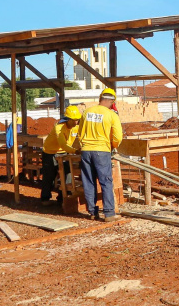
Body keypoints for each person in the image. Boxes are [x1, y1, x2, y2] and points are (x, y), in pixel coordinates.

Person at [76, 88, 123, 221]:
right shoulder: (111, 115)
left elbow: (80, 133)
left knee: (89, 181)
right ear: (112, 101)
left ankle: (92, 212)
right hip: (102, 150)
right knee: (106, 182)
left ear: (100, 98)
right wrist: (113, 145)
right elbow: (117, 136)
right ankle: (109, 213)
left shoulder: (87, 112)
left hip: (86, 150)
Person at [40, 105, 81, 206]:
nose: (76, 122)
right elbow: (63, 144)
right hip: (50, 152)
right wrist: (76, 151)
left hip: (65, 152)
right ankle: (45, 198)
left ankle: (63, 197)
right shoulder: (59, 127)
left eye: (77, 120)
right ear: (67, 119)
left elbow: (82, 137)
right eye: (73, 120)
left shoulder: (77, 127)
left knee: (68, 174)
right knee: (49, 175)